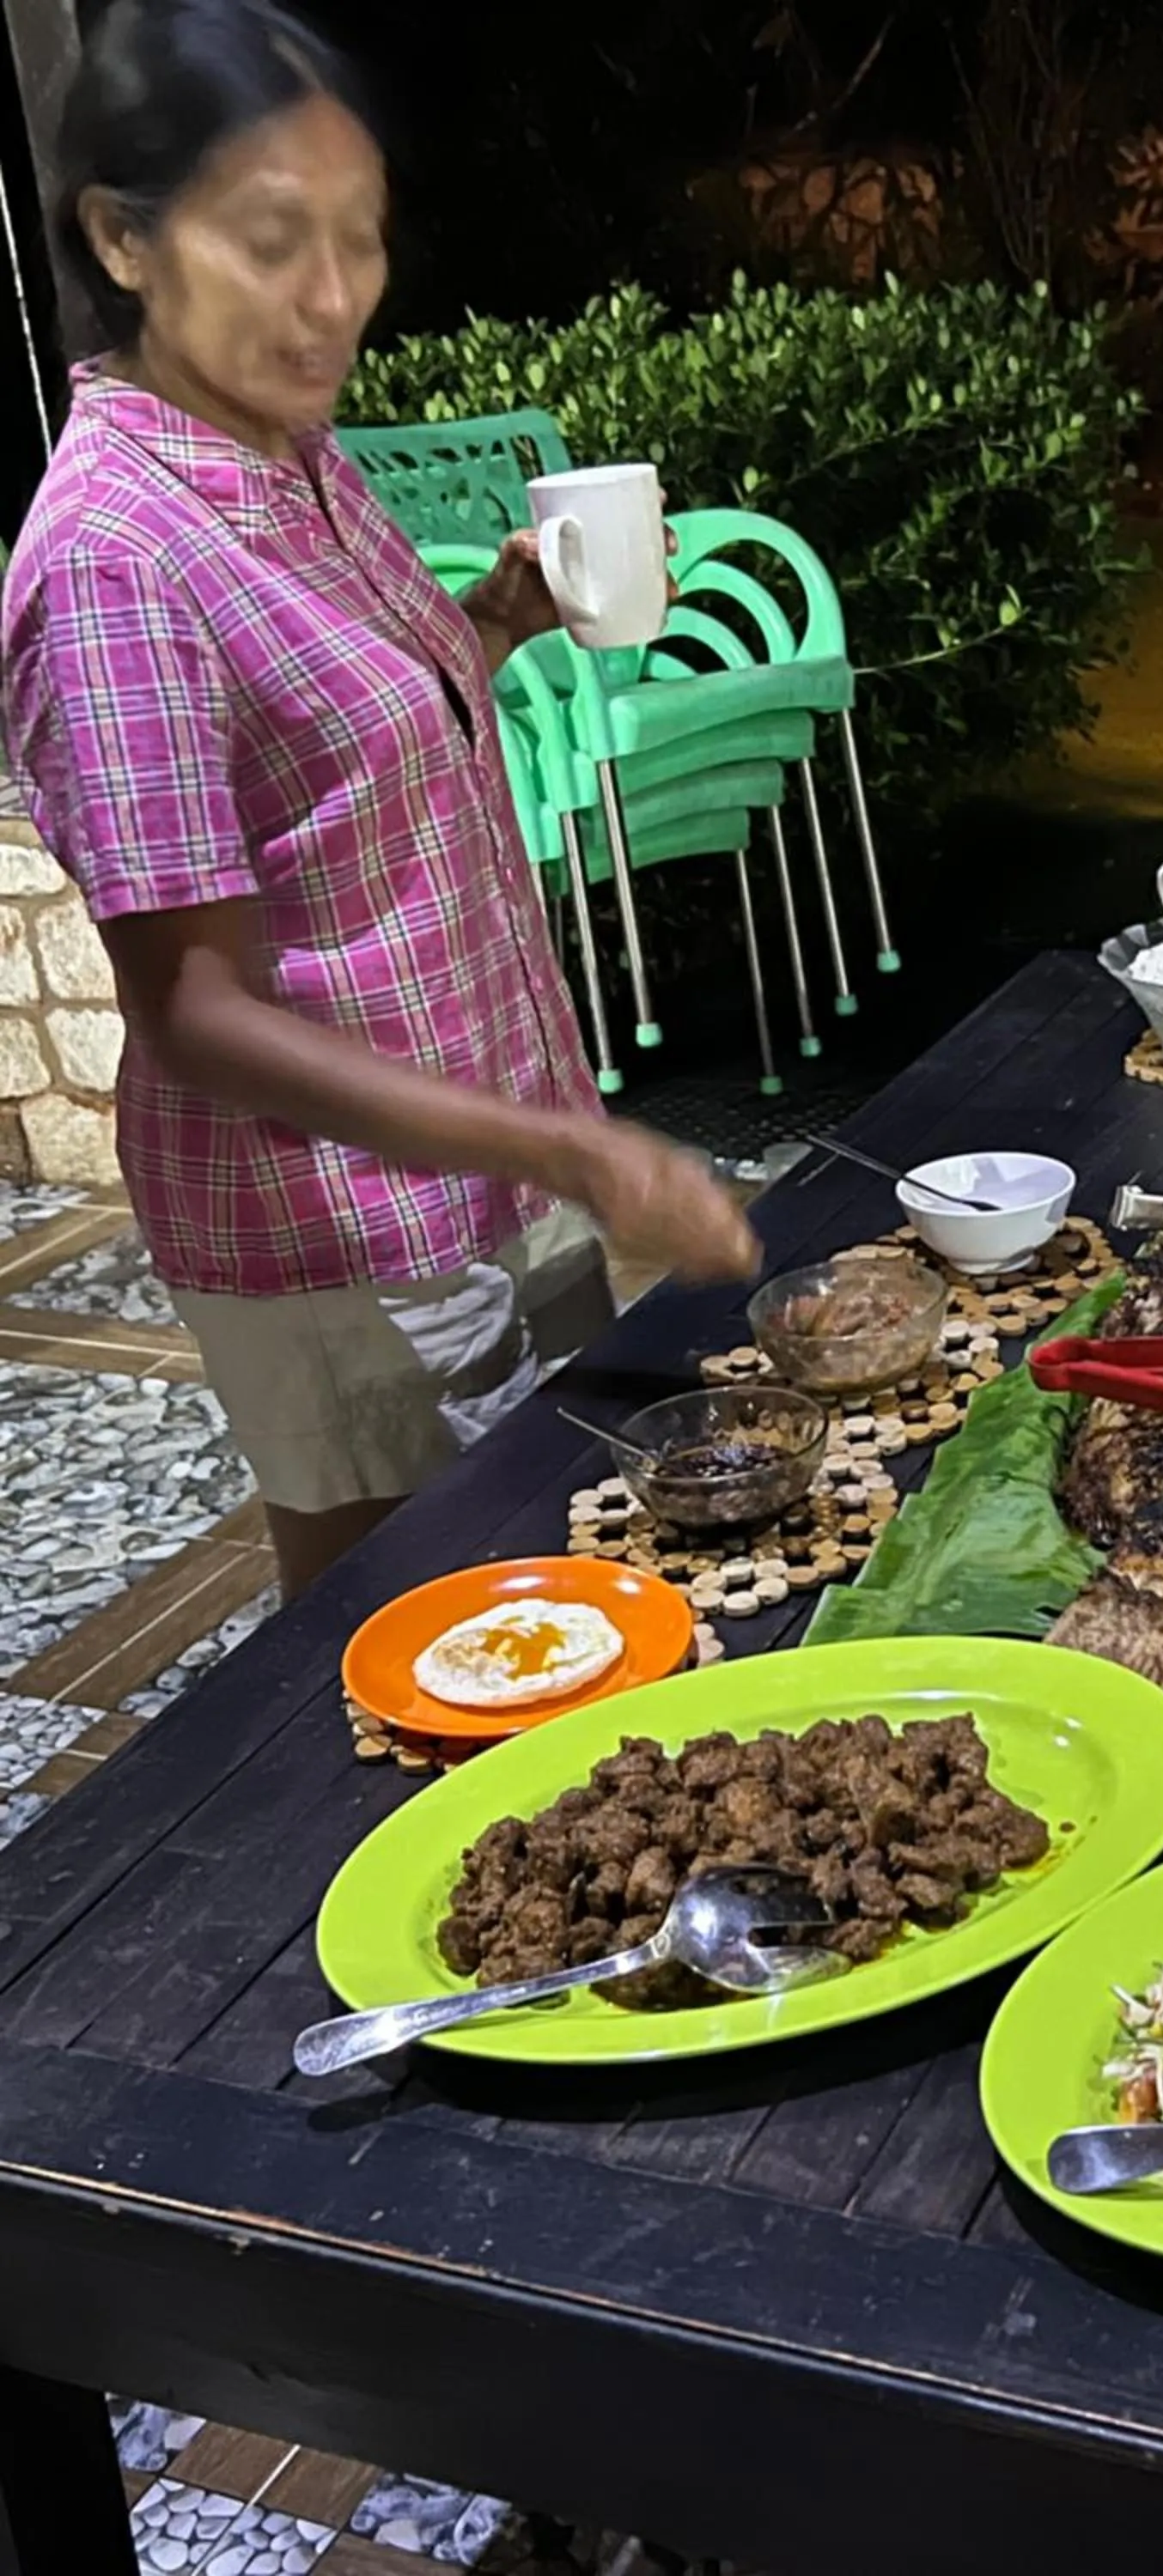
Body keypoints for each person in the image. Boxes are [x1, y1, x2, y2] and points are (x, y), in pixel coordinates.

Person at [3, 0, 759, 1598]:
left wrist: (489, 624)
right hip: (339, 1222)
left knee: (544, 1577)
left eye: (361, 239)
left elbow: (344, 770)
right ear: (123, 242)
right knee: (402, 1631)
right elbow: (192, 1005)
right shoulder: (114, 561)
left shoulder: (294, 456)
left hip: (491, 1158)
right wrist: (585, 1159)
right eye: (276, 242)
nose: (334, 298)